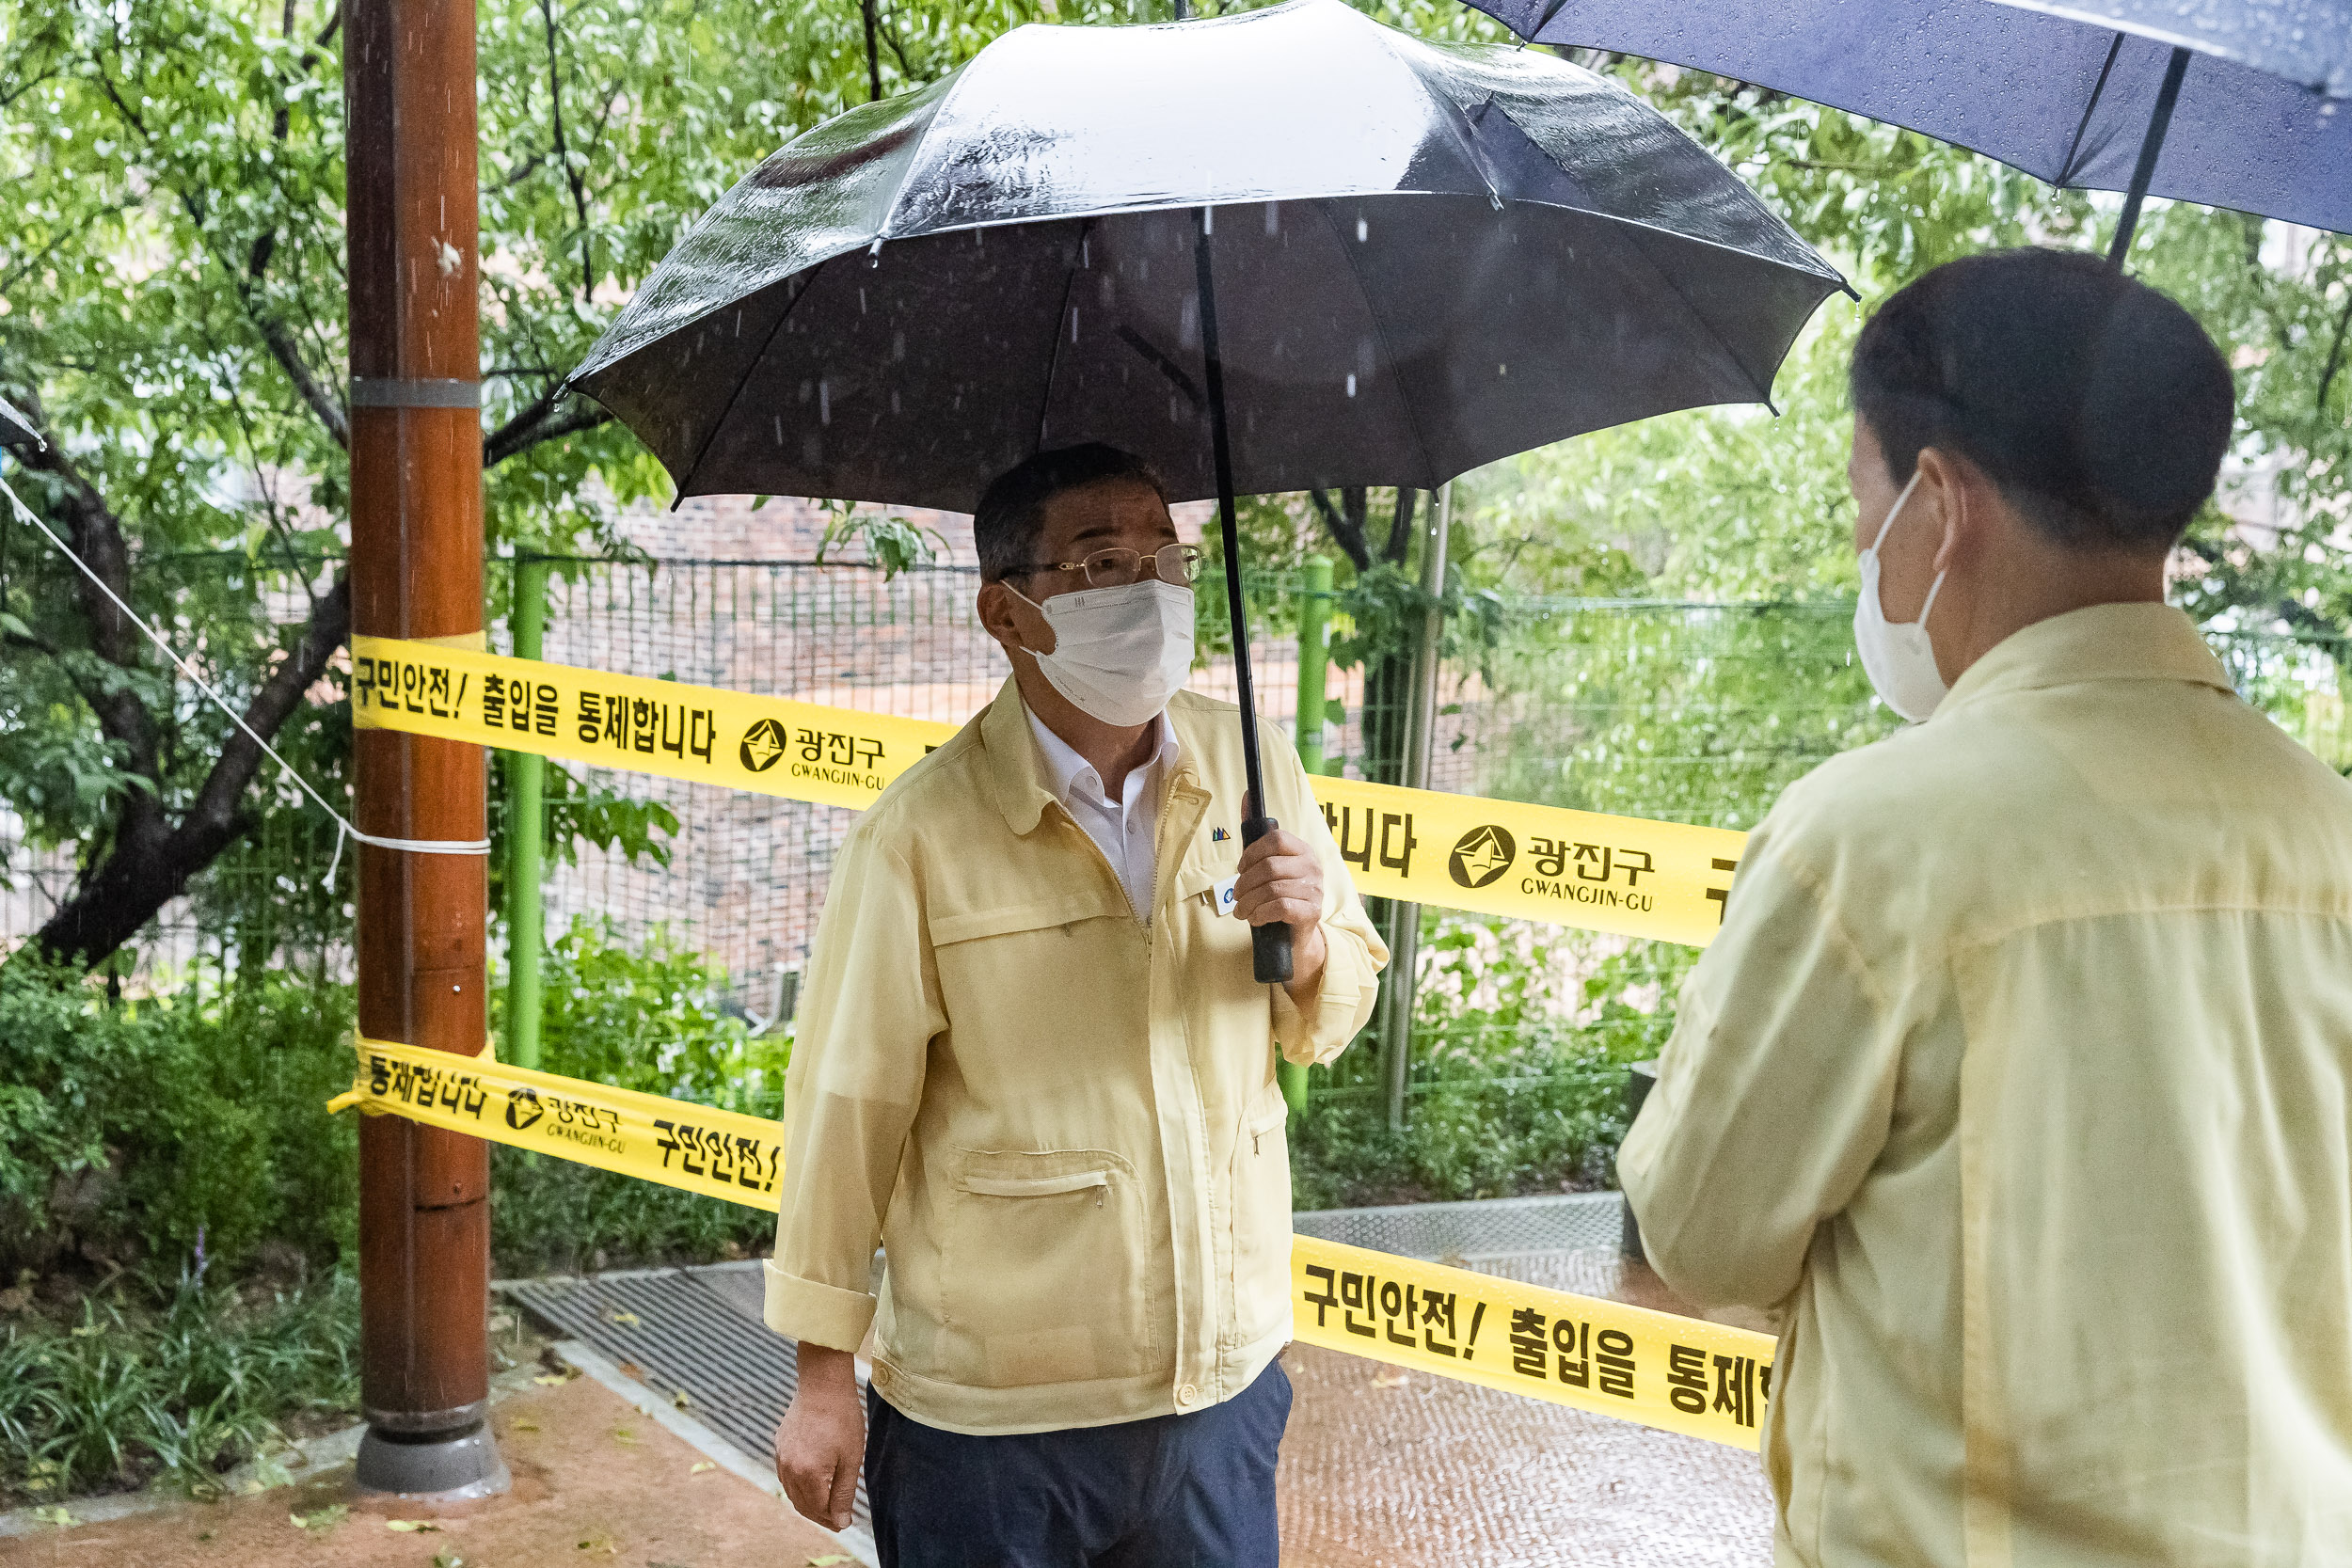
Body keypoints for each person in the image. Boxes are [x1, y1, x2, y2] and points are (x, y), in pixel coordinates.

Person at [1619, 247, 2352, 1566]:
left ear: (1941, 503)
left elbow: (1700, 1231)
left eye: (1864, 506)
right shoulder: (2330, 828)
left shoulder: (1875, 837)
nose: (1862, 551)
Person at [765, 442, 1386, 1566]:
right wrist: (822, 1375)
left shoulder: (1253, 764)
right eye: (1100, 562)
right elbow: (845, 1104)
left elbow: (1336, 1002)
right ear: (1007, 613)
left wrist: (1301, 947)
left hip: (1218, 1384)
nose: (1147, 594)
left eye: (1165, 557)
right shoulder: (920, 834)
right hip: (994, 1419)